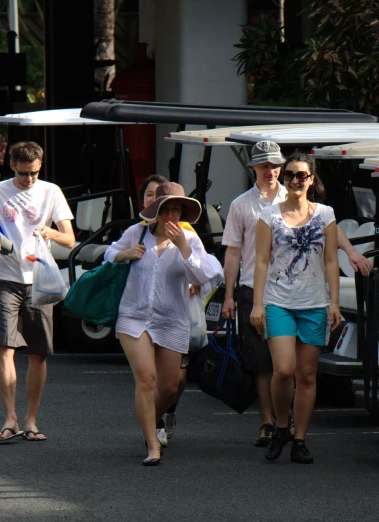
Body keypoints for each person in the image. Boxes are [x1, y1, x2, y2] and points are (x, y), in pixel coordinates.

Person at [221, 141, 371, 448]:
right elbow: (237, 253)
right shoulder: (246, 206)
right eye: (266, 166)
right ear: (254, 169)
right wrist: (231, 294)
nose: (274, 172)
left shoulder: (308, 204)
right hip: (260, 290)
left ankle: (294, 432)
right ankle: (272, 422)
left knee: (300, 372)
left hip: (308, 297)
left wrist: (350, 255)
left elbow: (328, 239)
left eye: (276, 166)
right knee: (271, 365)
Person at [105, 182, 222, 466]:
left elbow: (207, 275)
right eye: (166, 208)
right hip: (133, 316)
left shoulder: (189, 239)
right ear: (156, 210)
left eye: (177, 208)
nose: (171, 214)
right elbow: (108, 253)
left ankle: (151, 419)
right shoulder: (138, 231)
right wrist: (124, 254)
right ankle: (152, 443)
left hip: (172, 318)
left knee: (170, 387)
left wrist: (183, 247)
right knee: (147, 379)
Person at [0, 141, 75, 443]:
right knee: (5, 347)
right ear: (12, 166)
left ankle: (31, 420)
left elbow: (70, 239)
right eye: (23, 174)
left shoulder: (51, 191)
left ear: (40, 167)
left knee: (37, 354)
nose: (28, 179)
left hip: (39, 280)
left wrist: (51, 233)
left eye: (33, 173)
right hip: (5, 277)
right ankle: (10, 418)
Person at [250, 151, 342, 464]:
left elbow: (331, 260)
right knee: (284, 369)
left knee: (306, 375)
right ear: (284, 179)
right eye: (289, 175)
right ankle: (280, 426)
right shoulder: (270, 214)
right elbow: (261, 261)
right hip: (279, 302)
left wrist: (335, 303)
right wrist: (257, 304)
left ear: (311, 179)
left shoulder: (325, 214)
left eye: (302, 175)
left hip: (315, 303)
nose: (295, 181)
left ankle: (299, 439)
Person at [138, 175, 203, 446]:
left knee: (175, 379)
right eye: (150, 196)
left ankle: (168, 409)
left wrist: (192, 284)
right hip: (143, 317)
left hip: (178, 316)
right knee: (147, 375)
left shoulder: (186, 232)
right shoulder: (139, 231)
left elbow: (202, 271)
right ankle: (155, 426)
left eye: (163, 199)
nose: (156, 202)